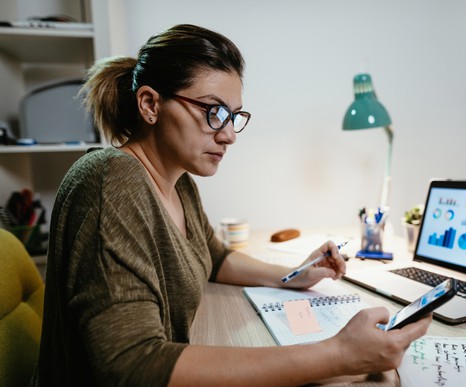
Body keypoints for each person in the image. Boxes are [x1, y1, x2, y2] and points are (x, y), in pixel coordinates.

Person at [31, 24, 431, 387]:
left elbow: (215, 257)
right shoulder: (110, 181)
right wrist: (337, 355)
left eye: (234, 116)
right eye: (213, 112)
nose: (229, 136)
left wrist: (296, 275)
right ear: (150, 104)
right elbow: (133, 365)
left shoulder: (179, 182)